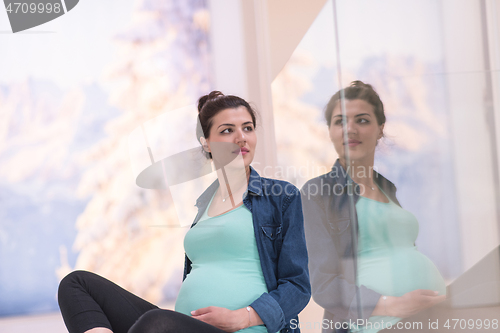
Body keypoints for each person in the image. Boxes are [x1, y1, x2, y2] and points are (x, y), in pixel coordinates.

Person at [58, 91, 311, 333]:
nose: (241, 137)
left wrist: (239, 318)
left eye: (248, 128)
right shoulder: (204, 204)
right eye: (227, 131)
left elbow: (297, 286)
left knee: (158, 324)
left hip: (246, 330)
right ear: (207, 143)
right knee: (77, 284)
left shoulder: (281, 197)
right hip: (187, 327)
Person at [301, 81, 446, 333]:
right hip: (374, 325)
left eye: (362, 120)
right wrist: (391, 305)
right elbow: (324, 283)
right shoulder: (317, 193)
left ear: (380, 128)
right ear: (330, 131)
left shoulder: (388, 188)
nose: (350, 129)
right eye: (339, 121)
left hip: (426, 318)